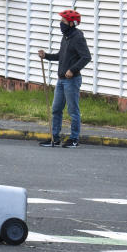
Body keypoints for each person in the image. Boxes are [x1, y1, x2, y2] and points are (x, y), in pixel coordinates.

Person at [38, 9, 91, 148]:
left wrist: (72, 70)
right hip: (61, 80)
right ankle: (54, 138)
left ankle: (74, 139)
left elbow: (86, 57)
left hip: (72, 81)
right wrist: (46, 56)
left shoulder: (78, 37)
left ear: (72, 24)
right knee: (56, 109)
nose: (61, 24)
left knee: (73, 111)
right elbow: (60, 56)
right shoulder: (66, 37)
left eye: (63, 21)